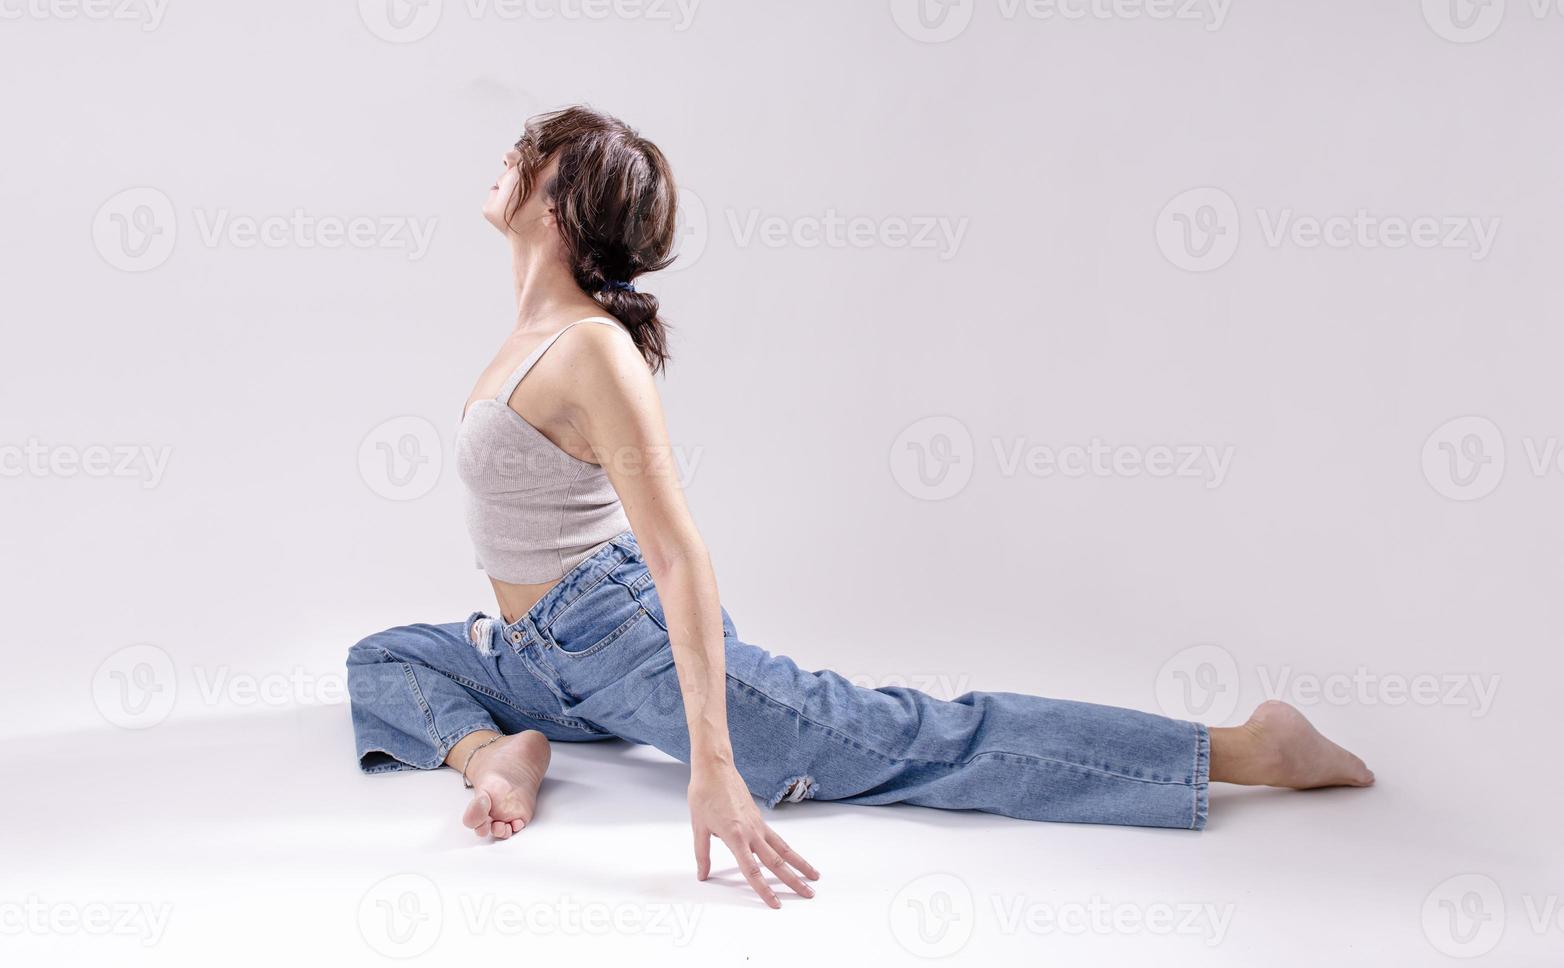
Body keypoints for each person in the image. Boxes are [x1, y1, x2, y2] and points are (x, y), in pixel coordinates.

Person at [346, 105, 1374, 910]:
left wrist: (712, 764)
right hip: (541, 654)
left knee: (915, 738)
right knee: (382, 658)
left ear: (564, 203)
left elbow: (679, 557)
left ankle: (1242, 749)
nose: (512, 153)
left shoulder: (590, 347)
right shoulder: (527, 335)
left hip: (623, 640)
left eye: (537, 148)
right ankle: (501, 753)